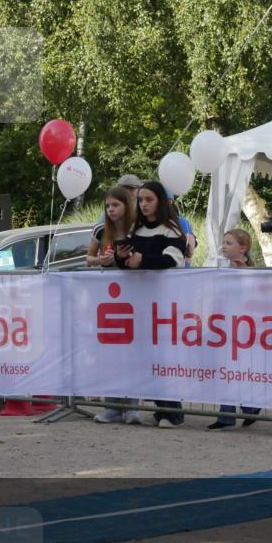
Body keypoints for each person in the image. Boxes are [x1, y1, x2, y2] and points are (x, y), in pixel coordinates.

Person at [116, 181, 188, 428]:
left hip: (164, 301)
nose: (144, 204)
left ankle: (172, 412)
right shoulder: (135, 228)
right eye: (141, 200)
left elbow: (173, 260)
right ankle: (159, 408)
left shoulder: (171, 229)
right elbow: (126, 261)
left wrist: (143, 259)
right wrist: (121, 257)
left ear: (160, 202)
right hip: (139, 301)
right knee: (145, 356)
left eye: (149, 200)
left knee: (163, 357)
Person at [87, 185, 143, 425]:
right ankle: (111, 407)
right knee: (110, 353)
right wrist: (101, 260)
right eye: (108, 206)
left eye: (115, 205)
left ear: (126, 206)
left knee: (132, 353)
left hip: (134, 294)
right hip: (107, 297)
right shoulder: (101, 230)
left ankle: (131, 407)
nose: (110, 210)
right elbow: (88, 258)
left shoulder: (138, 229)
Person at [207, 229, 262, 430]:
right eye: (224, 242)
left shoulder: (248, 271)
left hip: (242, 327)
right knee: (225, 370)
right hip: (225, 325)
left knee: (237, 369)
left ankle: (244, 409)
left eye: (229, 243)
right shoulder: (224, 269)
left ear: (243, 248)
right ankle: (235, 412)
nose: (224, 246)